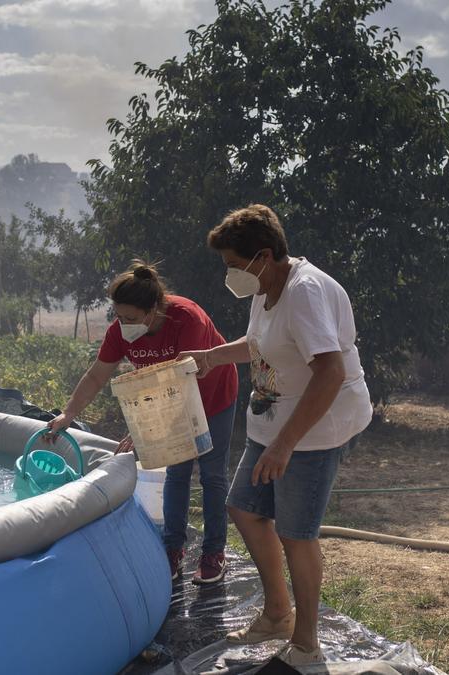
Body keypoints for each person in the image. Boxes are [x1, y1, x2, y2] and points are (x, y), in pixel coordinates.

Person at [185, 204, 372, 667]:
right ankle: (276, 613)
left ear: (262, 256)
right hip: (273, 418)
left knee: (296, 533)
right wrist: (213, 356)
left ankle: (306, 641)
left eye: (233, 264)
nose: (229, 274)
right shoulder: (266, 285)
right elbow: (258, 345)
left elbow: (329, 372)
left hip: (314, 428)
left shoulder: (305, 292)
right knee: (243, 507)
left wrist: (287, 443)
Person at [47, 261, 239, 585]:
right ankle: (173, 549)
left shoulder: (187, 319)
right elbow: (96, 375)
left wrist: (144, 430)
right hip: (169, 400)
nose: (124, 325)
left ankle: (213, 553)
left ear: (153, 311)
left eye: (131, 318)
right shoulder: (121, 332)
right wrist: (69, 414)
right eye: (119, 317)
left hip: (213, 396)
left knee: (211, 475)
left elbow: (181, 384)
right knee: (177, 473)